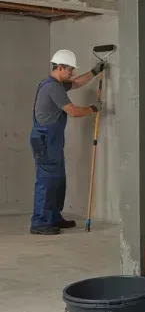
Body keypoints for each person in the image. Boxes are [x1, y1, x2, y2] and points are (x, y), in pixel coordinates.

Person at [30, 50, 104, 235]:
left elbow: (78, 82)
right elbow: (73, 111)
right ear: (60, 67)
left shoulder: (57, 84)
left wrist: (94, 71)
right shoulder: (53, 87)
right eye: (70, 69)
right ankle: (39, 222)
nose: (72, 73)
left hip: (52, 141)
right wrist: (93, 108)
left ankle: (53, 217)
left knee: (57, 180)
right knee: (46, 181)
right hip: (45, 140)